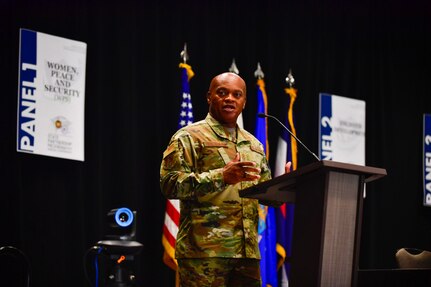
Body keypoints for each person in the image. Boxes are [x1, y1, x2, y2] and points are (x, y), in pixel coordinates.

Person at [160, 72, 291, 286]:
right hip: (204, 253)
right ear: (209, 97)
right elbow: (170, 184)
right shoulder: (189, 136)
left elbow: (265, 195)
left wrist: (284, 187)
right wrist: (221, 177)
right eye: (222, 93)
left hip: (247, 254)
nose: (230, 98)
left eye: (236, 94)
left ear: (244, 102)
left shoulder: (254, 145)